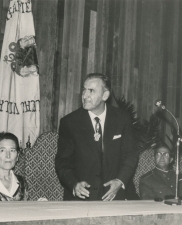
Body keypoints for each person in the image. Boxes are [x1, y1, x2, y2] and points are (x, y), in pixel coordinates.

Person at [55, 73, 139, 201]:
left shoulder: (122, 119)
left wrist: (120, 181)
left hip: (114, 196)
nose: (85, 95)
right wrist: (74, 184)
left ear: (105, 95)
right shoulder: (70, 122)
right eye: (84, 90)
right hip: (82, 198)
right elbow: (63, 161)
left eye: (91, 91)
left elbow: (130, 155)